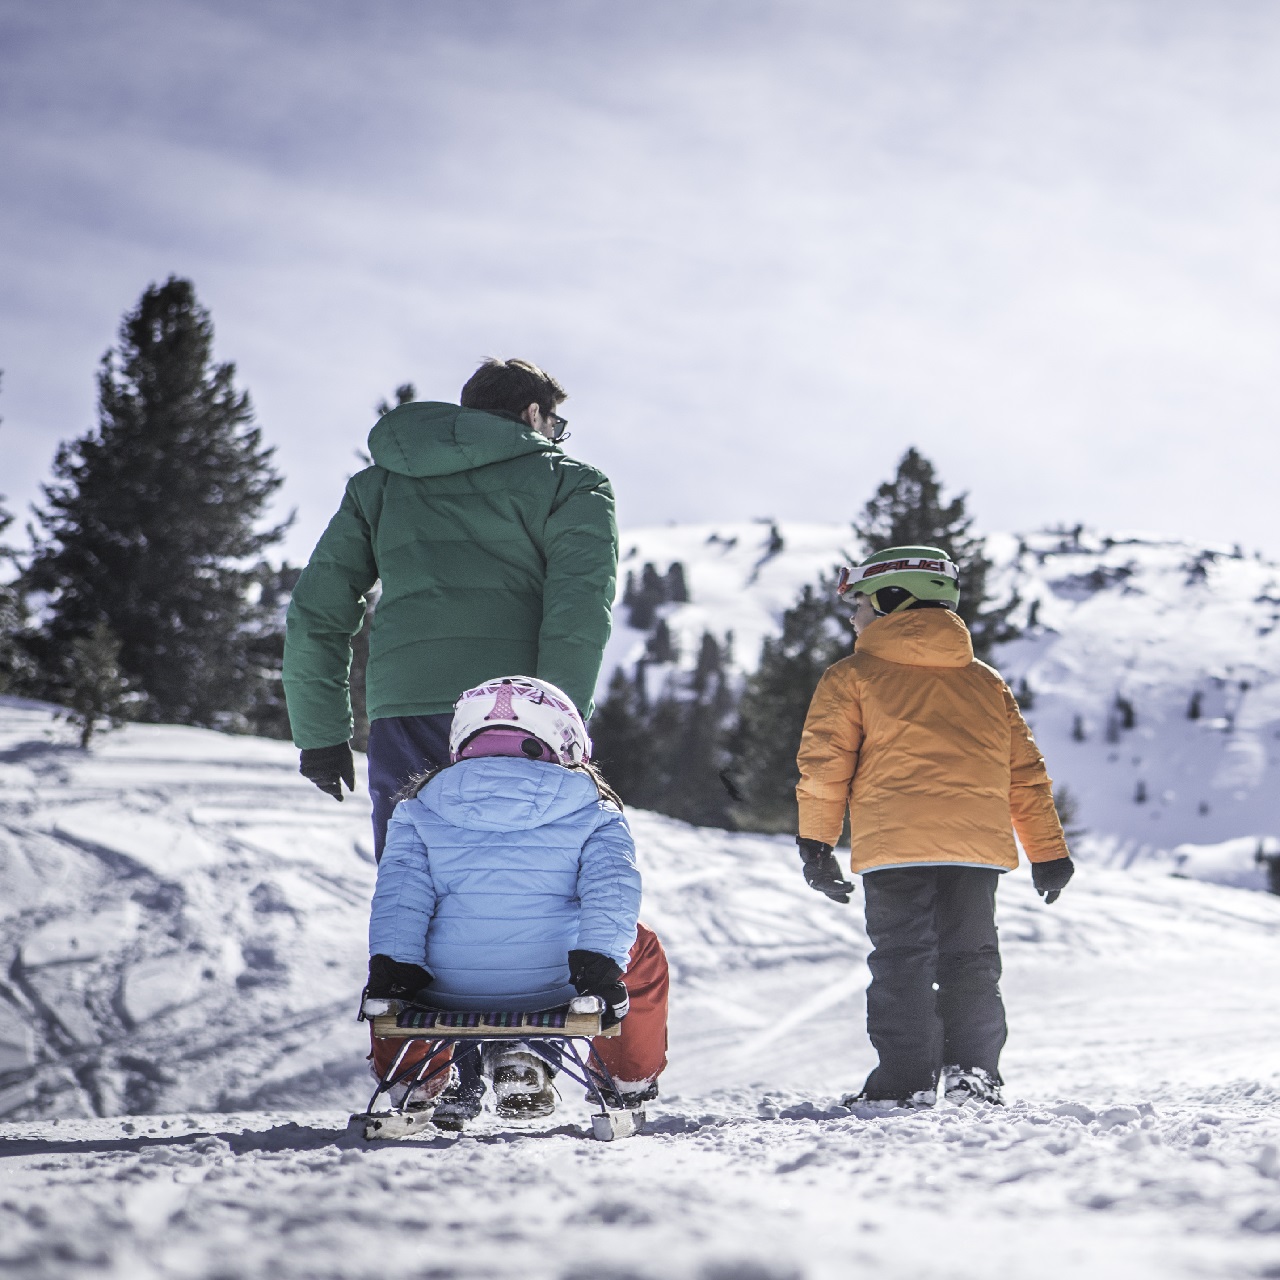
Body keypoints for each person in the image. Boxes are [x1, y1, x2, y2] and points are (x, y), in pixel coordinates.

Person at [282, 358, 618, 860]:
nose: (556, 436)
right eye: (556, 425)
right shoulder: (569, 482)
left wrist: (321, 734)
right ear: (533, 414)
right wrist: (560, 728)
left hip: (405, 713)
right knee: (522, 897)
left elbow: (317, 611)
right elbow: (579, 613)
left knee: (410, 894)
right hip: (517, 718)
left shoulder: (379, 486)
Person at [794, 545, 1075, 1109]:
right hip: (975, 849)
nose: (853, 618)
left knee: (902, 960)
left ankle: (905, 1082)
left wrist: (817, 843)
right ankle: (974, 1074)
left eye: (861, 606)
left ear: (894, 602)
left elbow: (825, 765)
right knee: (971, 960)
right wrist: (1047, 851)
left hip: (895, 848)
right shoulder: (984, 681)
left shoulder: (851, 676)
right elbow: (1025, 771)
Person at [364, 675, 669, 1128]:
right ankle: (626, 1080)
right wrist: (599, 968)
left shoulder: (418, 808)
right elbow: (611, 894)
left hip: (444, 992)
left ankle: (414, 1079)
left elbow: (399, 902)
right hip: (559, 985)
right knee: (640, 946)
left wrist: (393, 977)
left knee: (395, 955)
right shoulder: (594, 810)